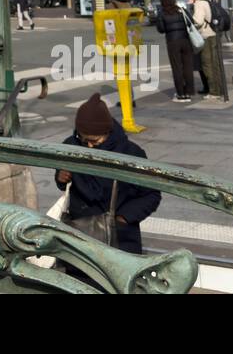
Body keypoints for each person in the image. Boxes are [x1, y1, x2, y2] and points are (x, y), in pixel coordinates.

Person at [54, 93, 161, 254]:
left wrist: (122, 218)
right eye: (84, 140)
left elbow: (151, 194)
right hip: (80, 233)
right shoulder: (71, 145)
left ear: (107, 133)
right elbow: (64, 180)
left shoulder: (130, 153)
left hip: (118, 238)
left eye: (95, 141)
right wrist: (61, 177)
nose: (89, 146)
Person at [152, 0, 195, 102]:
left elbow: (161, 29)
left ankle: (180, 94)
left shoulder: (162, 13)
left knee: (177, 68)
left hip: (172, 41)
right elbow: (191, 22)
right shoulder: (182, 10)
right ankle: (188, 92)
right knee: (187, 67)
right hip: (185, 40)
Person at [191, 0, 222, 100]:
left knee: (207, 64)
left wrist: (191, 20)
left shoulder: (199, 3)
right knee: (216, 63)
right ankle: (220, 89)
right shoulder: (210, 0)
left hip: (206, 35)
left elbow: (198, 21)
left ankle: (214, 92)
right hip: (215, 33)